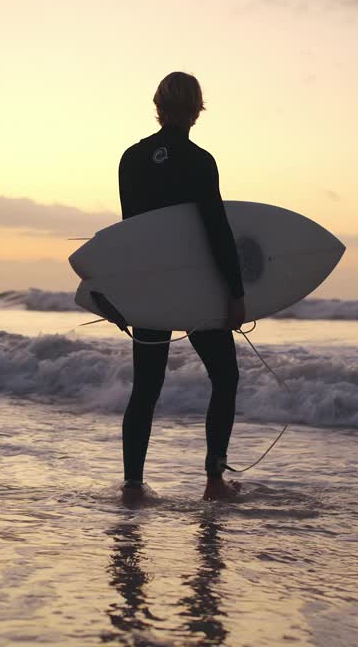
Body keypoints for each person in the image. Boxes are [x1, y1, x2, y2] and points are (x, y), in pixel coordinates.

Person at [118, 72, 245, 503]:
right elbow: (216, 230)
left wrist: (127, 294)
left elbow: (130, 235)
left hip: (152, 287)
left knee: (146, 388)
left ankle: (133, 486)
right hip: (196, 288)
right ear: (197, 109)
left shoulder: (131, 159)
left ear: (158, 105)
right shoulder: (200, 161)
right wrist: (235, 291)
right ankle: (213, 482)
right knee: (224, 377)